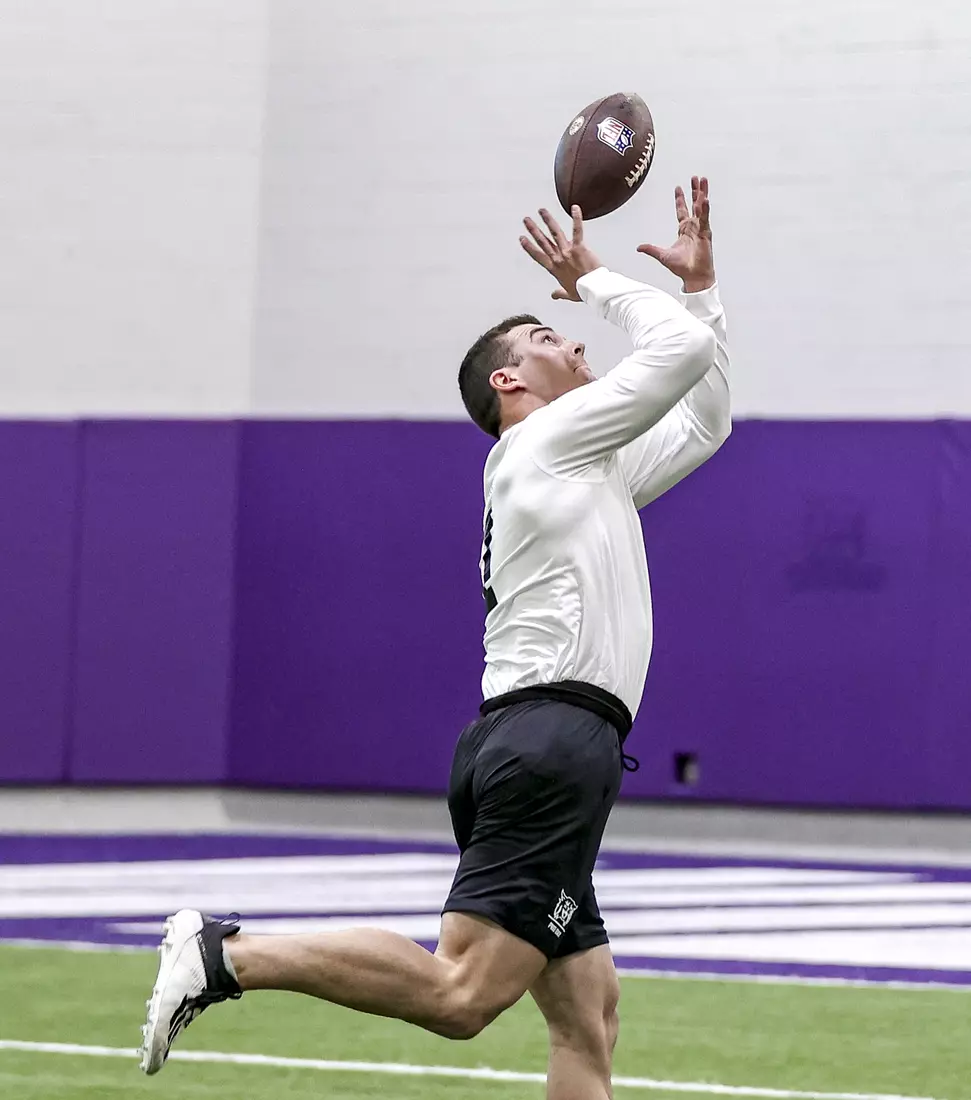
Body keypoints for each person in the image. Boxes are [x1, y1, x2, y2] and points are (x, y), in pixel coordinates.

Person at [139, 176, 730, 1100]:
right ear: (508, 383)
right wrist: (599, 277)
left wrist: (700, 289)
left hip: (544, 738)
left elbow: (706, 413)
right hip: (550, 741)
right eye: (545, 337)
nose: (571, 338)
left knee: (587, 1016)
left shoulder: (583, 464)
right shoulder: (545, 445)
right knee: (462, 994)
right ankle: (228, 954)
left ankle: (228, 953)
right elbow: (679, 352)